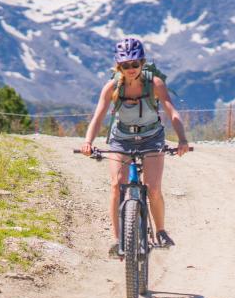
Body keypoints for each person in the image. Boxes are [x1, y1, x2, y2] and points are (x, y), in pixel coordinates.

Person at [81, 37, 190, 256]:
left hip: (152, 138)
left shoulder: (155, 84)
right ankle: (117, 239)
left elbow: (172, 113)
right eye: (125, 65)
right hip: (121, 139)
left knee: (153, 188)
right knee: (116, 185)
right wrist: (88, 142)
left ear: (142, 62)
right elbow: (98, 116)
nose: (130, 69)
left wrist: (182, 139)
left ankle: (160, 231)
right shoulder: (112, 87)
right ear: (118, 66)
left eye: (135, 64)